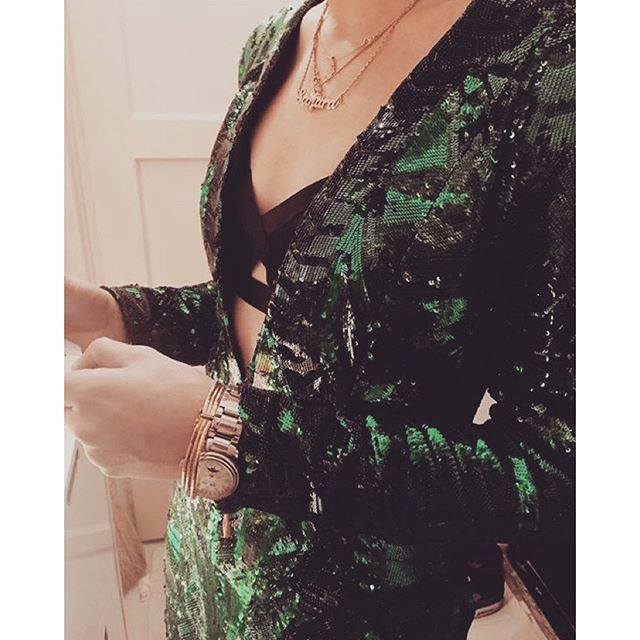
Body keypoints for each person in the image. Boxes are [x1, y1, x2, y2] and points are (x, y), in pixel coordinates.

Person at [64, 0, 575, 637]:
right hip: (206, 572)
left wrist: (229, 439)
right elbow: (287, 316)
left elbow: (558, 471)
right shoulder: (273, 42)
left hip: (363, 610)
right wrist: (116, 313)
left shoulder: (555, 69)